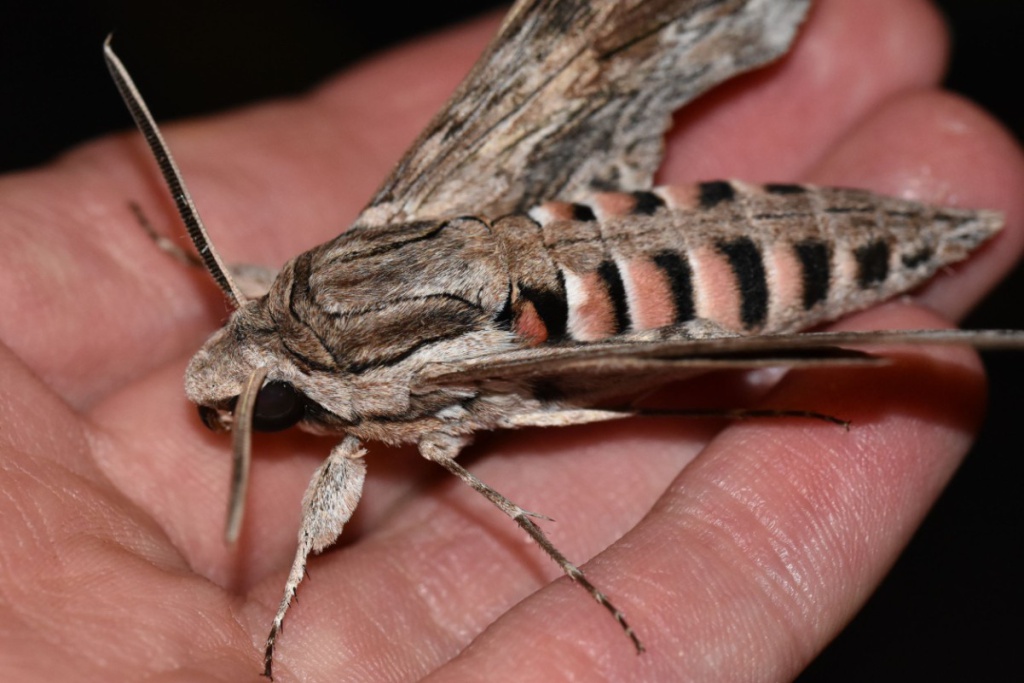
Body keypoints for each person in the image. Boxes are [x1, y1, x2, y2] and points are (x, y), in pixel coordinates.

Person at [1, 0, 1021, 680]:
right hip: (597, 231)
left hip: (714, 272)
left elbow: (479, 466)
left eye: (265, 396)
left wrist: (284, 609)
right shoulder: (362, 244)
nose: (241, 390)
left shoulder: (377, 404)